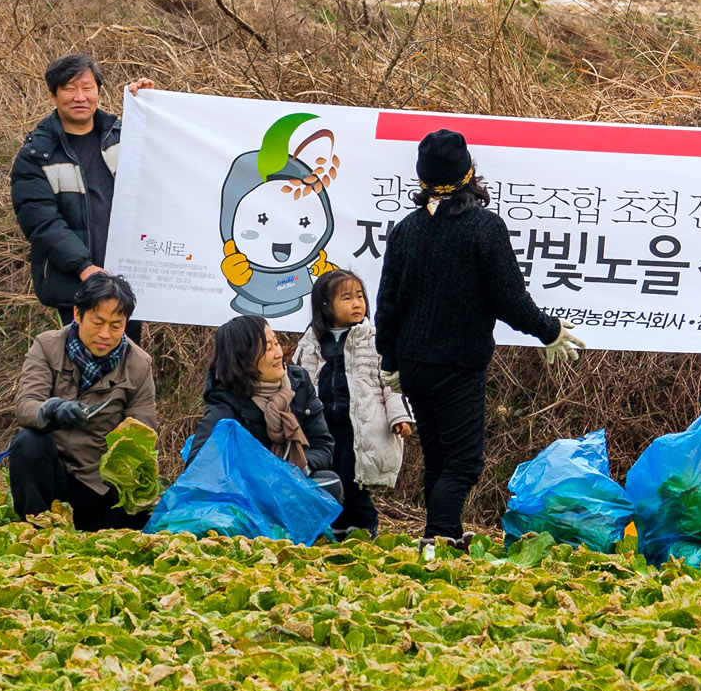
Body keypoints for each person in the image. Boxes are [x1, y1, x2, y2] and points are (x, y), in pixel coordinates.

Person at [374, 129, 582, 546]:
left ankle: (446, 533)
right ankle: (435, 538)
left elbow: (387, 305)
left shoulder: (405, 231)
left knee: (439, 457)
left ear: (421, 181)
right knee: (465, 463)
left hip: (414, 364)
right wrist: (551, 331)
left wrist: (390, 360)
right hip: (457, 363)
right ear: (471, 174)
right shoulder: (484, 228)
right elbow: (509, 299)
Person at [9, 272, 161, 531]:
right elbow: (26, 406)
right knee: (28, 443)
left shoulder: (138, 363)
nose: (105, 334)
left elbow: (144, 433)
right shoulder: (47, 346)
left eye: (116, 325)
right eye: (97, 322)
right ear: (78, 315)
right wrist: (53, 410)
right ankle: (35, 528)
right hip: (55, 474)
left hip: (99, 481)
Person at [10, 55, 154, 324]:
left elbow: (165, 163)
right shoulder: (36, 155)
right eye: (69, 88)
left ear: (98, 91)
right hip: (77, 284)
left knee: (128, 362)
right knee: (83, 359)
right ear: (53, 96)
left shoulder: (124, 136)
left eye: (87, 88)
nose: (80, 97)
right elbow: (41, 223)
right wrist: (84, 268)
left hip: (129, 280)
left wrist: (150, 106)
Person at [291, 270, 414, 534]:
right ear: (325, 305)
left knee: (354, 481)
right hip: (321, 428)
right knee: (325, 479)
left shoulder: (374, 340)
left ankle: (364, 529)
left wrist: (400, 416)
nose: (357, 304)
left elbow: (392, 384)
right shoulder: (310, 342)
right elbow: (298, 383)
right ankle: (332, 529)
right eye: (347, 298)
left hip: (361, 428)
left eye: (360, 296)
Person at [200, 313, 339, 496]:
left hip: (293, 481)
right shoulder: (226, 399)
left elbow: (322, 445)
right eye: (267, 349)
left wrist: (292, 470)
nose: (278, 353)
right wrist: (265, 474)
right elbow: (200, 461)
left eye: (276, 343)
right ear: (244, 358)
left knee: (329, 482)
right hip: (250, 492)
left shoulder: (298, 383)